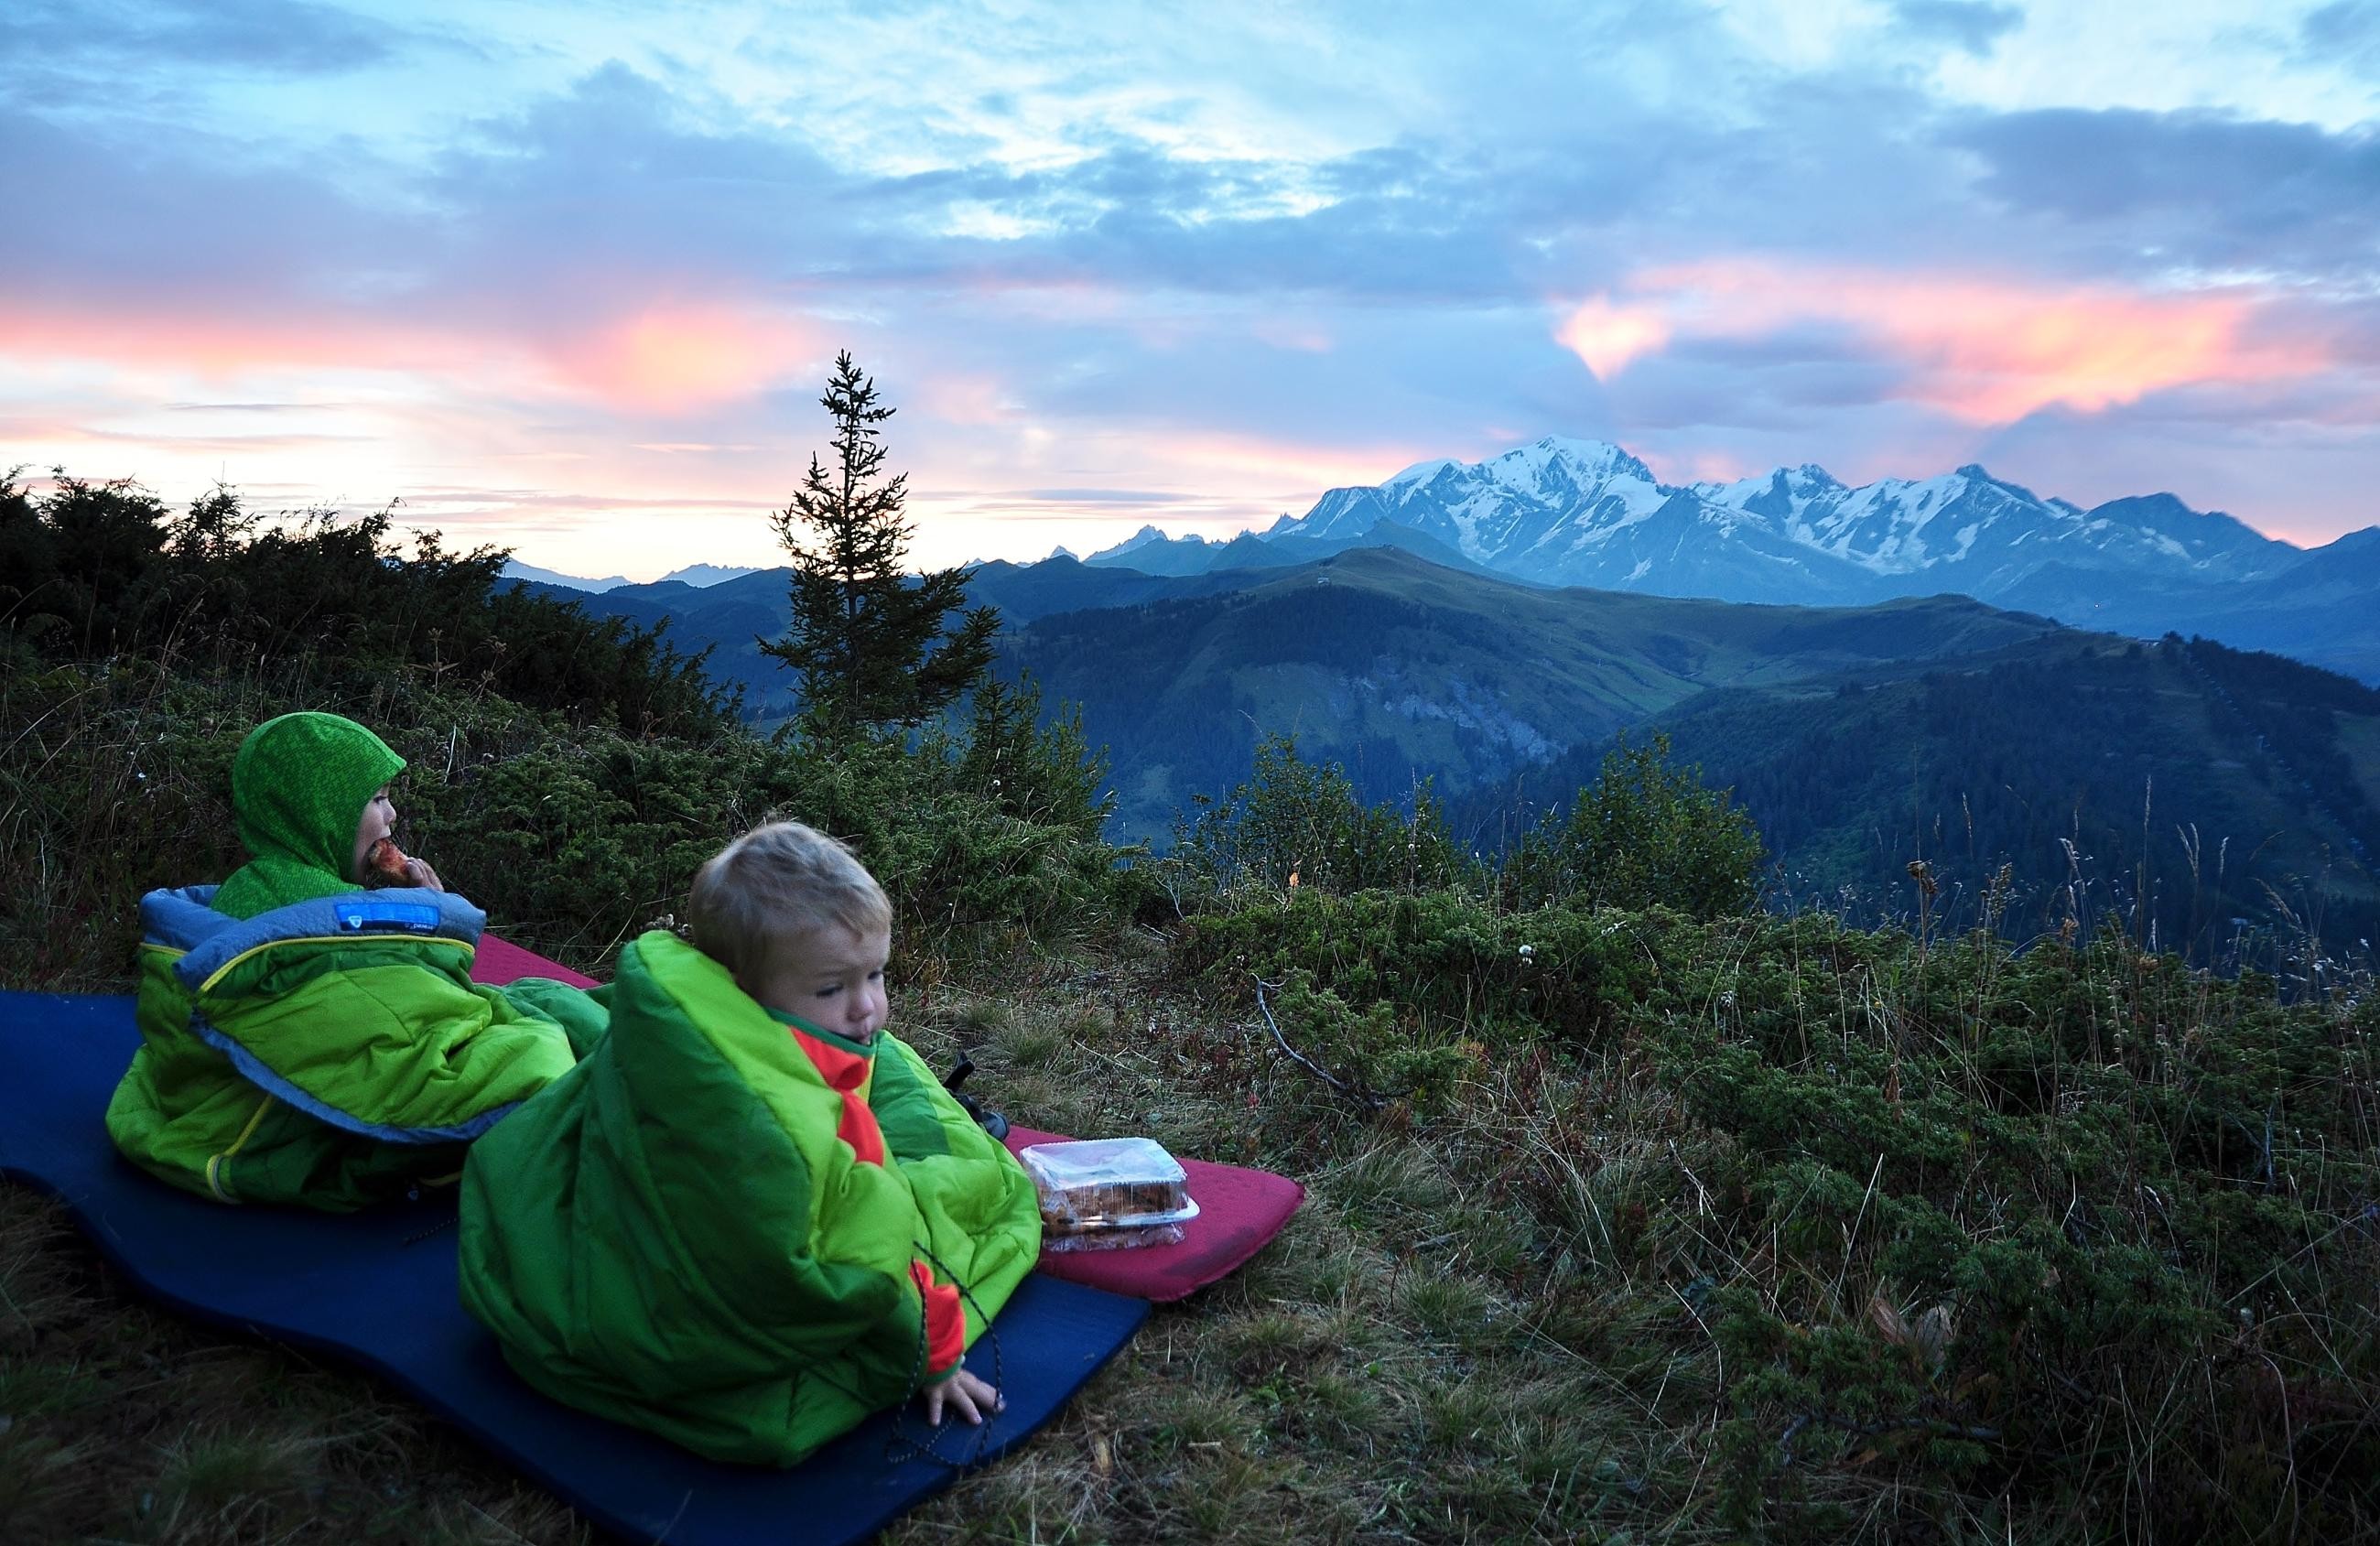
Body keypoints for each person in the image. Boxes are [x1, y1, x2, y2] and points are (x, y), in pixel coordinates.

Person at [457, 821, 1042, 1465]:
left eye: (875, 975)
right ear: (741, 982)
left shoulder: (674, 1006)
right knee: (980, 1187)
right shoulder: (788, 1123)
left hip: (584, 1282)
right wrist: (936, 1358)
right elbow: (876, 1261)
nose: (866, 1008)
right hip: (694, 1332)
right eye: (831, 988)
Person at [105, 711, 600, 1210]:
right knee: (539, 1038)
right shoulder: (324, 922)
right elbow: (399, 996)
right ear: (321, 811)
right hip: (263, 1119)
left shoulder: (250, 888)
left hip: (195, 1085)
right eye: (377, 798)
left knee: (541, 1002)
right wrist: (436, 914)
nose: (391, 817)